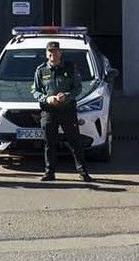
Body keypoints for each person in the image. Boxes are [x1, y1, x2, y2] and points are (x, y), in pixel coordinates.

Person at [30, 40, 92, 182]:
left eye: (56, 52)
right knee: (49, 143)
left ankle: (83, 172)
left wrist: (67, 96)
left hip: (67, 111)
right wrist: (47, 98)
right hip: (49, 112)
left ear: (60, 53)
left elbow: (78, 88)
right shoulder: (41, 70)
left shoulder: (69, 68)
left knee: (74, 141)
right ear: (46, 54)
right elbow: (35, 90)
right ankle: (49, 172)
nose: (53, 55)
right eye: (50, 52)